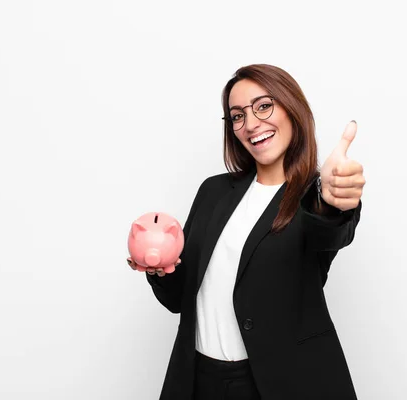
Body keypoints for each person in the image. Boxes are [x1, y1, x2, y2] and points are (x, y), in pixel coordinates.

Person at [127, 64, 365, 400]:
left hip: (276, 383)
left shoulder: (314, 198)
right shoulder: (213, 192)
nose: (250, 123)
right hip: (199, 379)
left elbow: (330, 230)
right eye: (237, 115)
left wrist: (335, 199)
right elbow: (179, 299)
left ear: (291, 107)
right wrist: (159, 268)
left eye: (263, 106)